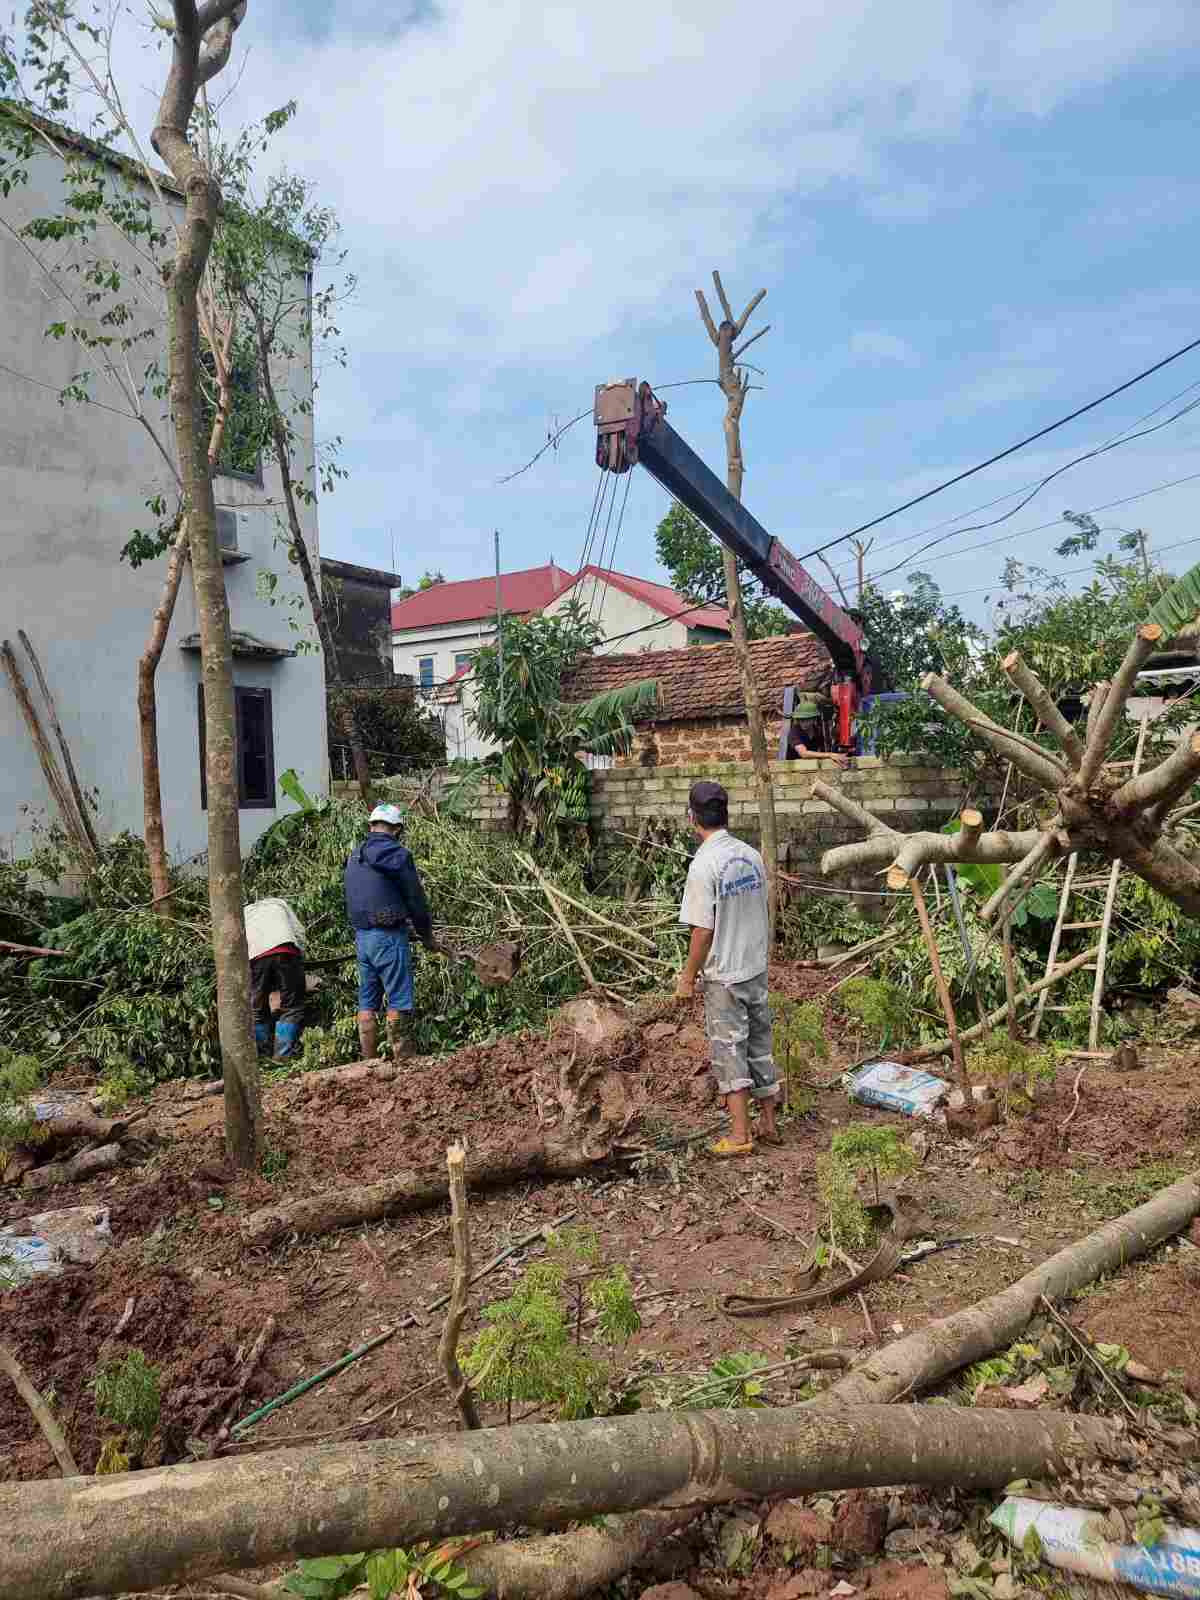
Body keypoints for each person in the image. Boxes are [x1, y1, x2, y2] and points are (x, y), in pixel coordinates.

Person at [674, 779, 780, 1158]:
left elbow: (702, 930)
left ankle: (739, 1136)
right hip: (755, 968)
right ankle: (769, 1124)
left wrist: (687, 978)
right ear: (725, 814)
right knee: (760, 1045)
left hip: (725, 977)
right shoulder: (749, 854)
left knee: (729, 1051)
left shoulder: (704, 864)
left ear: (692, 818)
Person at [344, 801, 440, 1064]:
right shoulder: (397, 855)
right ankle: (404, 1060)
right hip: (388, 938)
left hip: (363, 938)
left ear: (372, 826)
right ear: (397, 829)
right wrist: (426, 933)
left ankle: (368, 1063)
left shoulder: (355, 855)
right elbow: (415, 898)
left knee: (367, 1001)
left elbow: (366, 894)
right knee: (398, 998)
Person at [244, 896, 307, 1060]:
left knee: (257, 1009)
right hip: (286, 951)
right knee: (292, 1007)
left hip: (255, 957)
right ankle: (281, 1058)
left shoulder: (245, 912)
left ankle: (263, 1059)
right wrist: (301, 959)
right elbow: (299, 931)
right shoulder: (279, 903)